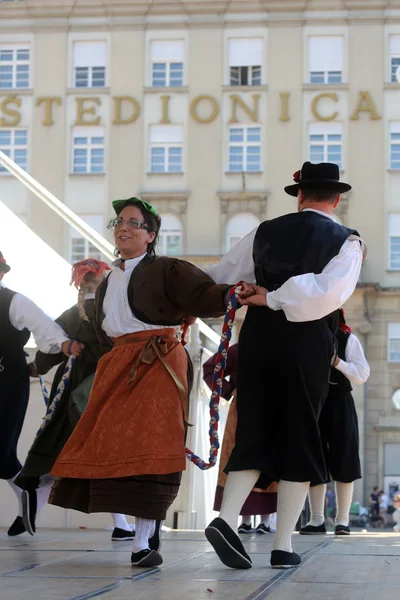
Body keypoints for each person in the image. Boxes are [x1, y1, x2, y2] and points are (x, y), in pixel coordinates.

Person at [47, 197, 254, 568]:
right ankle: (132, 526)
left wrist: (230, 294)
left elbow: (201, 293)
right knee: (108, 442)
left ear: (150, 235)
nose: (123, 227)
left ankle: (143, 541)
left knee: (153, 441)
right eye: (118, 222)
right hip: (118, 364)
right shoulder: (110, 280)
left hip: (158, 361)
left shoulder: (167, 269)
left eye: (133, 223)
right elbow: (105, 331)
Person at [203, 162, 366, 570]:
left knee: (254, 426)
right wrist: (274, 297)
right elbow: (327, 293)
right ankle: (282, 544)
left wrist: (248, 296)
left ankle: (226, 519)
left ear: (299, 196)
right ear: (337, 199)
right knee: (301, 433)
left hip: (257, 338)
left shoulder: (263, 230)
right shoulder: (347, 241)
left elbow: (222, 275)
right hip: (306, 342)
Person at [14, 259, 133, 541]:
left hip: (69, 393)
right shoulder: (111, 314)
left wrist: (37, 368)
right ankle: (124, 526)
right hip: (102, 392)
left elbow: (49, 348)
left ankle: (32, 506)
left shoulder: (71, 314)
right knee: (107, 459)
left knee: (62, 452)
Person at [0, 251, 83, 537]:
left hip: (7, 380)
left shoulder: (14, 301)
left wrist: (63, 345)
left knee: (0, 449)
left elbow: (44, 326)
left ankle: (28, 491)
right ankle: (27, 492)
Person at [299, 309, 370, 536]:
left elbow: (362, 374)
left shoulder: (348, 338)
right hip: (314, 402)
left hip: (340, 401)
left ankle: (343, 520)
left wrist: (338, 362)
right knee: (314, 458)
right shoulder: (306, 337)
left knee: (345, 458)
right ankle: (317, 519)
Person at [203, 343, 278, 534]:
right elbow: (211, 368)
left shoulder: (280, 346)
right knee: (241, 458)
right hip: (242, 411)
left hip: (273, 410)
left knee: (268, 459)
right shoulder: (238, 349)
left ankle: (265, 520)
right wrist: (229, 390)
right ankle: (244, 520)